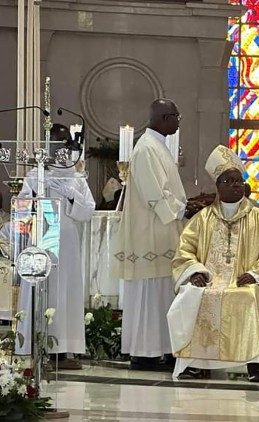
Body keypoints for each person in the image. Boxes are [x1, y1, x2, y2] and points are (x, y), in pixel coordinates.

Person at [167, 146, 259, 382]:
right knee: (194, 294)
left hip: (243, 280)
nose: (235, 185)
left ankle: (255, 365)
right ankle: (195, 363)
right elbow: (184, 250)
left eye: (239, 180)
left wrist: (255, 274)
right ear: (218, 187)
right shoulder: (203, 218)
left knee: (251, 296)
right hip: (210, 280)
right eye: (228, 181)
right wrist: (194, 272)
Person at [14, 123, 96, 369]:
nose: (60, 149)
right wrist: (35, 198)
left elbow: (88, 211)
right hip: (43, 235)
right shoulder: (34, 175)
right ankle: (40, 347)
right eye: (55, 143)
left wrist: (71, 194)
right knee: (44, 288)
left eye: (64, 143)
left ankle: (64, 350)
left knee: (66, 291)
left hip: (67, 240)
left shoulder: (76, 177)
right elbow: (21, 207)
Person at [115, 99, 186, 370]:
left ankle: (161, 349)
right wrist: (183, 209)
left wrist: (183, 206)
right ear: (165, 117)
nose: (179, 122)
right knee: (148, 295)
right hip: (150, 234)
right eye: (177, 117)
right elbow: (155, 194)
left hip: (161, 232)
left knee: (160, 295)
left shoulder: (158, 146)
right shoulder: (146, 149)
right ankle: (143, 353)